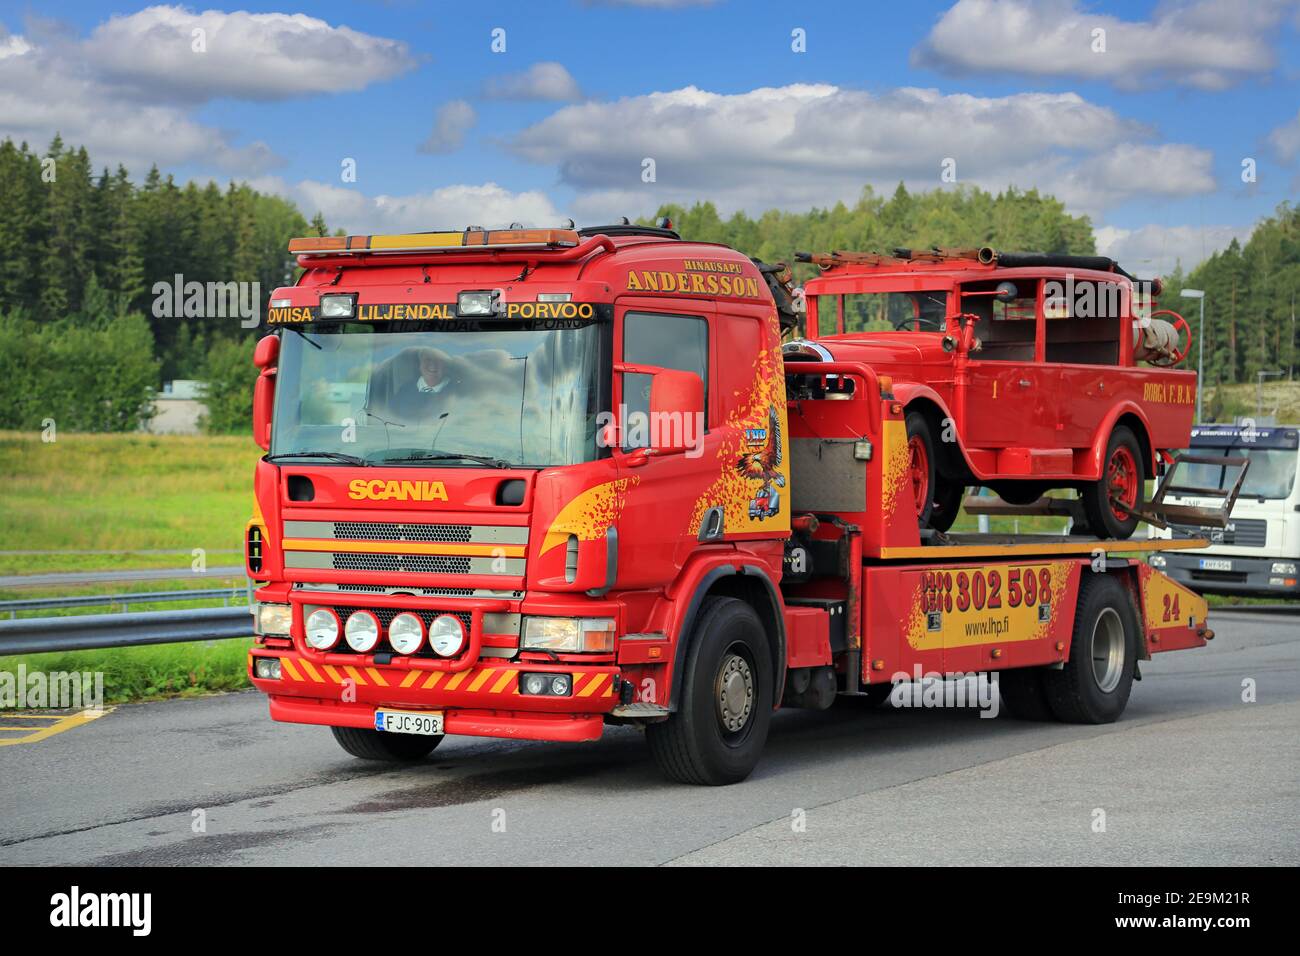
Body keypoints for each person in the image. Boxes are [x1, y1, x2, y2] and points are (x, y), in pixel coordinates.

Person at [366, 347, 459, 426]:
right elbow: (390, 419)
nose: (432, 364)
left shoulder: (458, 391)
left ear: (446, 366)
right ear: (420, 365)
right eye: (427, 360)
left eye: (439, 361)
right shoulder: (404, 391)